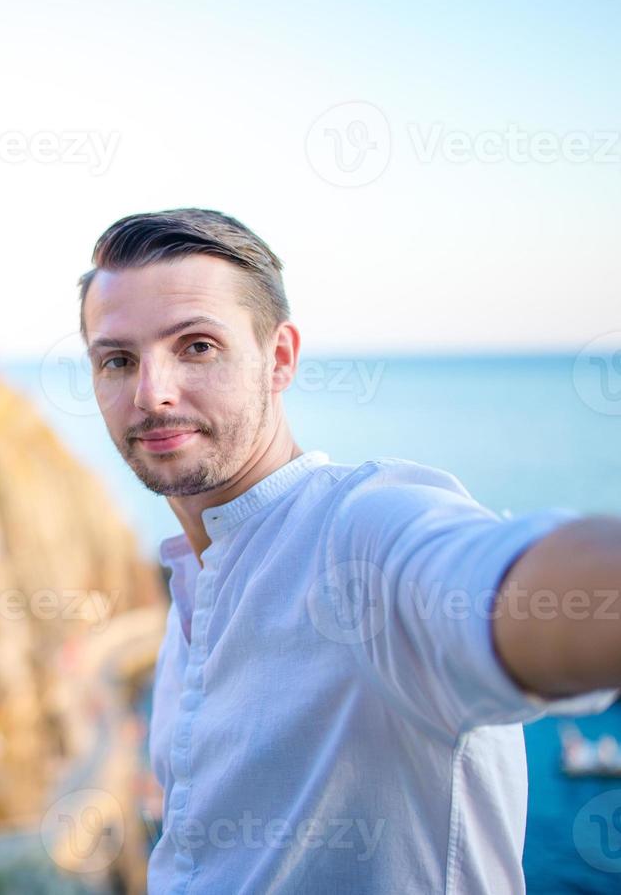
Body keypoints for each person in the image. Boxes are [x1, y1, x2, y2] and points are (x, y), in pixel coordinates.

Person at [77, 209, 621, 893]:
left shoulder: (363, 533)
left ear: (278, 359)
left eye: (197, 347)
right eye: (117, 360)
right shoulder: (194, 582)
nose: (151, 393)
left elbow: (510, 579)